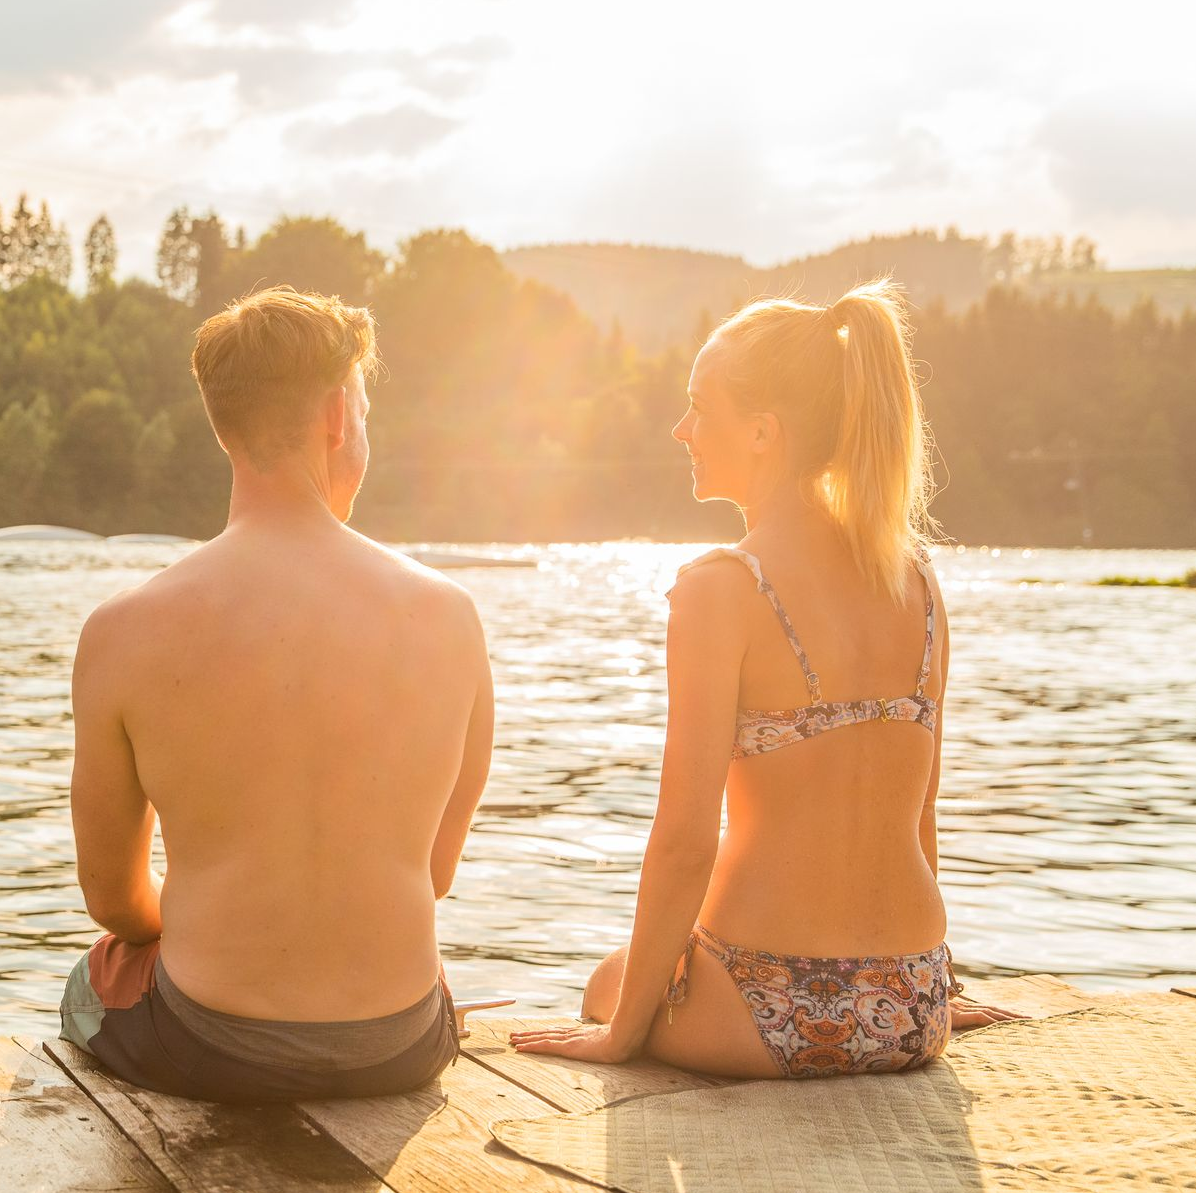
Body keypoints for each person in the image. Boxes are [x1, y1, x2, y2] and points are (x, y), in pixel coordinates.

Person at [512, 280, 1019, 1079]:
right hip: (916, 1002)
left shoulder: (722, 587)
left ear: (761, 431)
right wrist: (932, 987)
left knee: (611, 981)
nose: (681, 429)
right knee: (644, 968)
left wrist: (622, 1030)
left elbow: (683, 840)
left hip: (774, 1008)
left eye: (698, 407)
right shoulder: (915, 579)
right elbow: (918, 816)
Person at [58, 286, 494, 1102]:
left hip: (207, 1044)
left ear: (224, 425)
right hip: (399, 1041)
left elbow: (113, 900)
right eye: (363, 412)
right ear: (337, 417)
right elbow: (432, 874)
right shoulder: (449, 614)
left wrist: (205, 927)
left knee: (98, 973)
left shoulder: (122, 629)